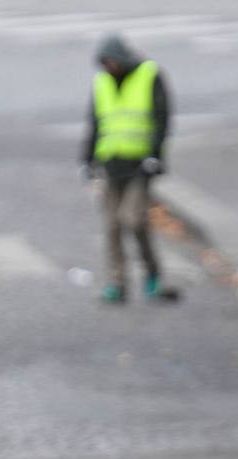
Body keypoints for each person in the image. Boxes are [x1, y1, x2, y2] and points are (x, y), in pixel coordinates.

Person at [80, 34, 175, 304]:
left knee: (133, 220)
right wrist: (86, 159)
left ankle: (152, 274)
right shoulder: (102, 83)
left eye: (112, 62)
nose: (109, 68)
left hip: (139, 165)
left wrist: (155, 154)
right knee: (112, 225)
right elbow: (96, 122)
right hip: (111, 163)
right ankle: (117, 282)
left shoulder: (148, 74)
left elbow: (161, 117)